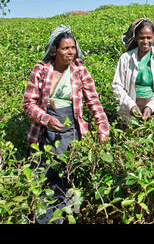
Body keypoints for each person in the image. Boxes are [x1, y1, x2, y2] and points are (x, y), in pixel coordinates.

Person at [23, 25, 110, 223]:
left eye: (73, 48)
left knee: (69, 178)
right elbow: (28, 103)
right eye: (65, 48)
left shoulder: (79, 71)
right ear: (55, 50)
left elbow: (93, 101)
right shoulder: (41, 70)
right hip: (43, 133)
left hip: (71, 132)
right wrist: (46, 118)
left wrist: (103, 127)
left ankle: (68, 218)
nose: (70, 52)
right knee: (44, 179)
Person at [112, 18, 154, 124]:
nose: (145, 41)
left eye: (149, 38)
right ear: (136, 39)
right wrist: (131, 105)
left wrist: (150, 107)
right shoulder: (126, 58)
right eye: (141, 38)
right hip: (130, 109)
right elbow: (117, 85)